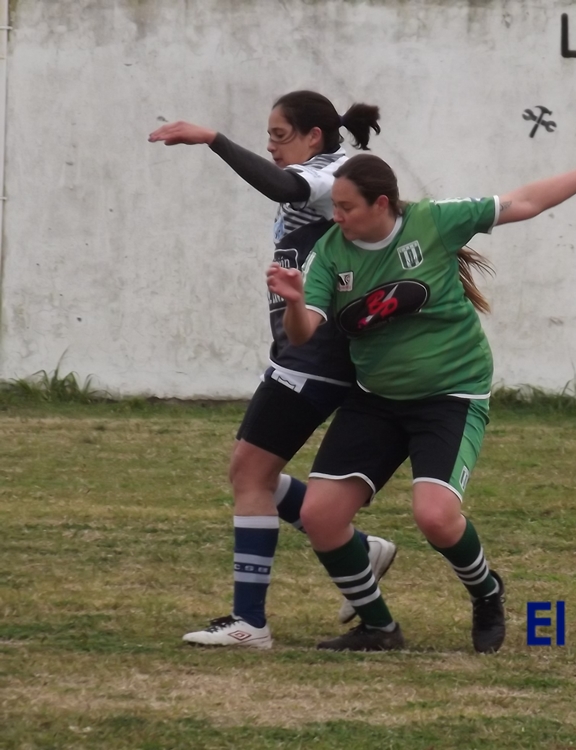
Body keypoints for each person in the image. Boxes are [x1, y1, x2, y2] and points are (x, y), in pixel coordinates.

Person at [266, 149, 576, 652]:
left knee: (435, 517)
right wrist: (292, 301)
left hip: (450, 393)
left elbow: (523, 202)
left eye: (347, 207)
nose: (337, 217)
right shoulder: (332, 251)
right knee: (320, 517)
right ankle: (379, 628)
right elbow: (305, 331)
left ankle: (486, 592)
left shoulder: (434, 221)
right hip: (377, 397)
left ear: (381, 204)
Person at [148, 91, 396, 648]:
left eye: (280, 134)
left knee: (249, 474)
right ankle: (359, 550)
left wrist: (214, 139)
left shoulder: (336, 171)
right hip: (303, 353)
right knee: (251, 474)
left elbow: (284, 186)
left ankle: (250, 623)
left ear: (314, 136)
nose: (270, 145)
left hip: (320, 354)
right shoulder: (320, 171)